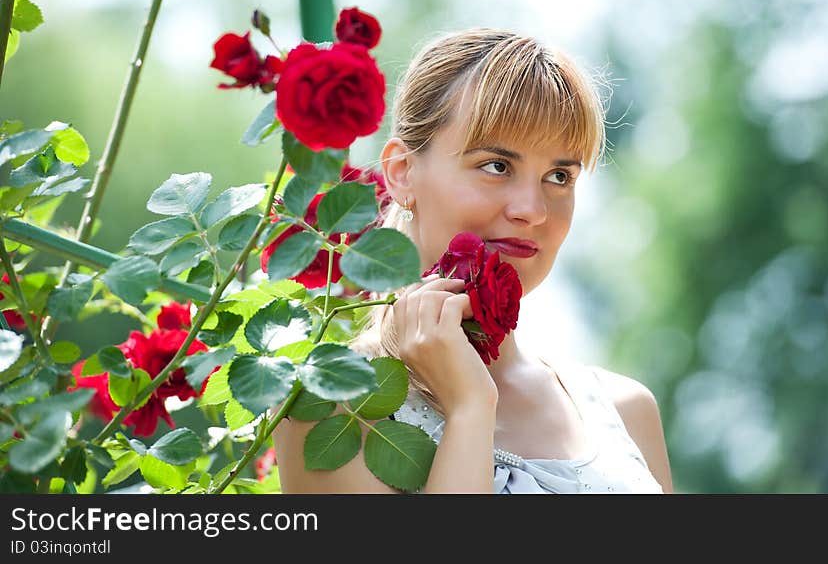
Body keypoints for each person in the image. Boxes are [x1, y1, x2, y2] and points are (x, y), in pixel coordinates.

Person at [271, 28, 674, 494]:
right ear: (402, 173)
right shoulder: (329, 404)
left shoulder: (625, 411)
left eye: (559, 176)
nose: (533, 209)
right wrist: (469, 408)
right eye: (497, 166)